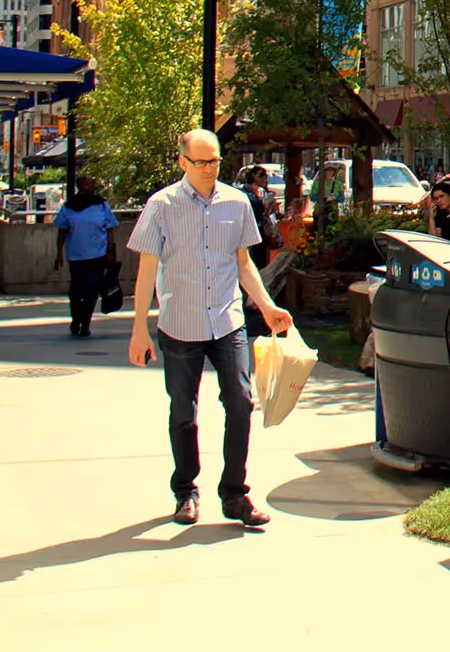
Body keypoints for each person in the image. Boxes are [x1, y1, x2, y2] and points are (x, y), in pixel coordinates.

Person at [125, 129, 290, 529]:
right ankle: (186, 492)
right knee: (184, 410)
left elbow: (244, 263)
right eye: (201, 162)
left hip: (227, 321)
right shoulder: (161, 205)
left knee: (241, 402)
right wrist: (139, 328)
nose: (209, 169)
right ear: (183, 162)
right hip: (180, 323)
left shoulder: (237, 202)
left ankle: (235, 495)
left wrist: (267, 307)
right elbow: (146, 270)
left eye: (215, 161)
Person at [53, 175, 119, 337]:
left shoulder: (101, 204)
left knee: (92, 291)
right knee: (76, 291)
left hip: (97, 255)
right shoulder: (69, 206)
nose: (90, 187)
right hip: (76, 256)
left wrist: (110, 251)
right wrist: (59, 254)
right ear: (79, 186)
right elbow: (61, 232)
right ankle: (76, 320)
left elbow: (110, 229)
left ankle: (86, 323)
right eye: (86, 184)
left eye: (91, 184)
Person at [240, 166, 283, 271]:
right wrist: (262, 206)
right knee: (251, 261)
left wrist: (272, 207)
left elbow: (268, 212)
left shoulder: (264, 191)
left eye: (265, 176)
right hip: (249, 230)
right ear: (253, 176)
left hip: (264, 231)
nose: (264, 179)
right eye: (261, 176)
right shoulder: (244, 193)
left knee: (263, 260)